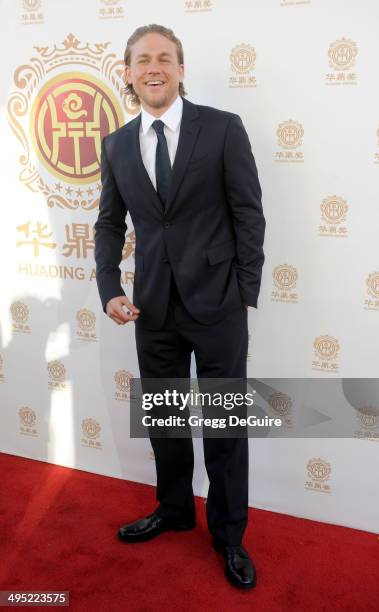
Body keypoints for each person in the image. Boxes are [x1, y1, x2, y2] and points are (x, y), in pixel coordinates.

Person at [94, 24, 266, 590]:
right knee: (166, 421)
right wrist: (109, 288)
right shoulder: (117, 143)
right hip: (152, 308)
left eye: (165, 58)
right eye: (142, 59)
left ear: (181, 68)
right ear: (127, 72)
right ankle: (173, 509)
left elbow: (248, 213)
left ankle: (229, 535)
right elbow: (109, 223)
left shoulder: (220, 129)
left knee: (223, 426)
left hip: (217, 306)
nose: (154, 68)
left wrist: (244, 292)